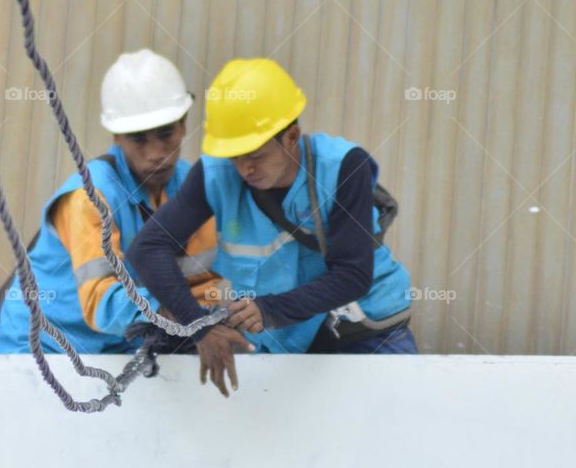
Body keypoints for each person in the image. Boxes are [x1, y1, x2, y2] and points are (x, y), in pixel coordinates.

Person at [127, 57, 416, 396]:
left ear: (291, 136)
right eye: (235, 154)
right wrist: (199, 328)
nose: (245, 168)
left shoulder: (342, 168)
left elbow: (352, 274)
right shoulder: (216, 173)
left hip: (362, 326)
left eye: (255, 154)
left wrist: (270, 309)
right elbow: (148, 249)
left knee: (388, 426)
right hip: (284, 335)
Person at [0, 50, 224, 354]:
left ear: (184, 124)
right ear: (117, 136)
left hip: (120, 347)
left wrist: (224, 314)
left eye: (166, 134)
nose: (155, 152)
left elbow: (201, 282)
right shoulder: (89, 197)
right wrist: (182, 318)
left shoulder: (192, 188)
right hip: (43, 349)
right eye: (139, 139)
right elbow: (100, 298)